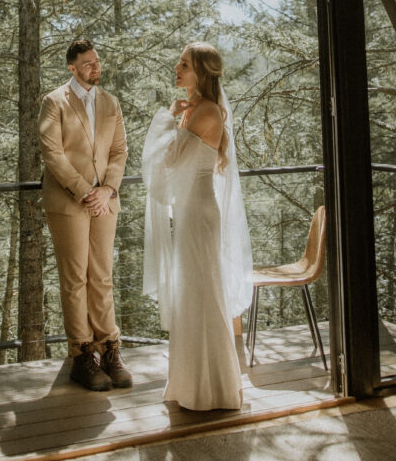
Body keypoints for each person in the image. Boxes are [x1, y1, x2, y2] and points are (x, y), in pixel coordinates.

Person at [142, 41, 252, 411]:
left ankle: (214, 388)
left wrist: (165, 118)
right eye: (179, 62)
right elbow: (171, 166)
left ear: (201, 73)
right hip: (190, 211)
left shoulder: (206, 112)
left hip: (199, 213)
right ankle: (191, 385)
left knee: (202, 294)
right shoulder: (195, 110)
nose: (177, 67)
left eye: (185, 64)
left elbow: (170, 161)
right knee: (192, 294)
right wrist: (175, 118)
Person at [38, 37, 132, 391]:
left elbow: (120, 151)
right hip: (69, 202)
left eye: (97, 61)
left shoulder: (110, 102)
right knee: (75, 278)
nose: (96, 67)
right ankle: (82, 355)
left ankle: (110, 349)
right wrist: (86, 192)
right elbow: (53, 155)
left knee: (102, 276)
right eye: (89, 63)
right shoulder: (54, 102)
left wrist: (106, 190)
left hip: (105, 201)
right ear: (72, 67)